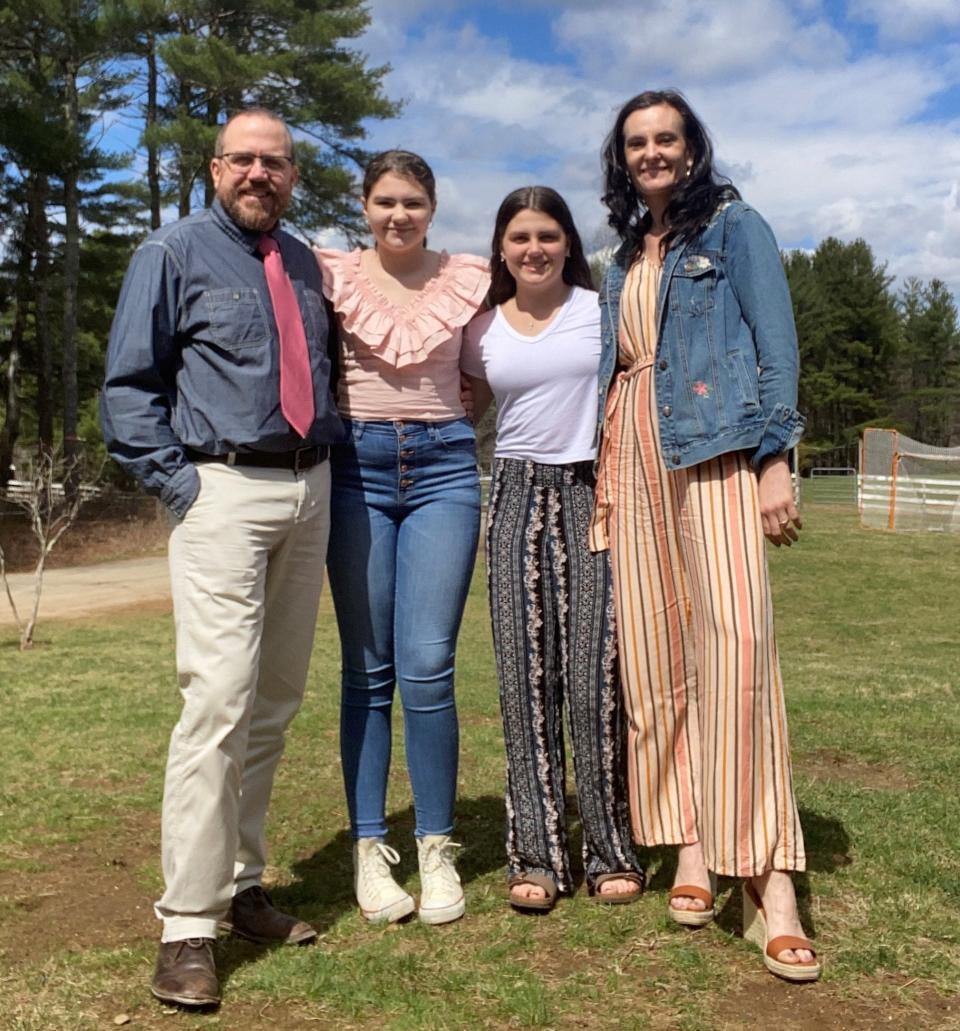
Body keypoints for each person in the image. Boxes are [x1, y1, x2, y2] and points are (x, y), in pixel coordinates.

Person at [101, 109, 343, 1007]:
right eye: (242, 159)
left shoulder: (308, 261)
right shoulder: (169, 253)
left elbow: (326, 372)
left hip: (308, 489)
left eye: (273, 162)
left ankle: (241, 884)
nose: (258, 174)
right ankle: (187, 926)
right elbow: (130, 386)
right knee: (216, 702)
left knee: (274, 699)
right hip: (222, 492)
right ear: (214, 169)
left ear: (291, 172)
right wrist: (180, 485)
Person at [592, 90, 821, 981]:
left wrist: (775, 457)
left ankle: (771, 880)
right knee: (655, 658)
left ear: (691, 149)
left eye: (665, 138)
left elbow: (777, 341)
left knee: (739, 645)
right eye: (636, 142)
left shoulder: (734, 227)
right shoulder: (620, 255)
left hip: (715, 444)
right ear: (623, 158)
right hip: (630, 451)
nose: (651, 152)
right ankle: (687, 837)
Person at [314, 150, 488, 926]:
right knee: (367, 667)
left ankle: (436, 846)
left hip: (446, 470)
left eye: (413, 201)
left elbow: (485, 372)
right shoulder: (332, 275)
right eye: (385, 201)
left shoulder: (468, 278)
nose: (398, 215)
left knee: (428, 665)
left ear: (433, 205)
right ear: (364, 204)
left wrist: (450, 426)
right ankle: (369, 848)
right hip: (357, 469)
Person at [461, 186, 644, 912]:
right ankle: (536, 851)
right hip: (511, 493)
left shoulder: (601, 314)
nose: (533, 248)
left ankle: (610, 848)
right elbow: (460, 408)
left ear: (569, 242)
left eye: (547, 234)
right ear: (501, 249)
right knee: (523, 676)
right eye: (518, 237)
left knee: (598, 676)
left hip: (593, 489)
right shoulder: (478, 329)